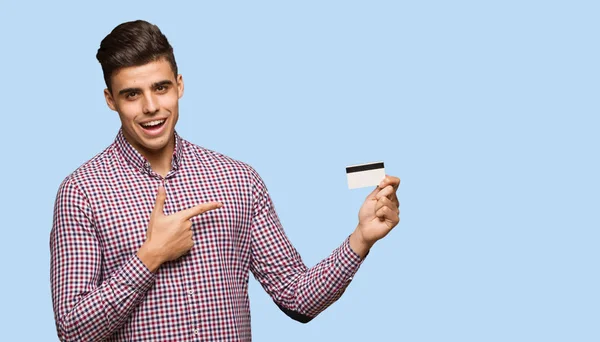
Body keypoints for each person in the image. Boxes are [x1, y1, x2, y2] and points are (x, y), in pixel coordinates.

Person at [50, 20, 400, 341]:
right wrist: (150, 256)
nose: (151, 106)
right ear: (111, 100)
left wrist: (360, 239)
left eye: (161, 87)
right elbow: (72, 329)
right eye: (132, 94)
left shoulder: (238, 180)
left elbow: (297, 297)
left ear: (180, 86)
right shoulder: (81, 192)